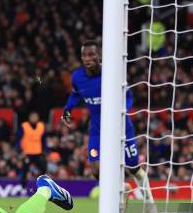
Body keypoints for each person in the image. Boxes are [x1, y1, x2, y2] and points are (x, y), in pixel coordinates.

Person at [61, 39, 154, 204]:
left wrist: (120, 111)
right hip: (98, 130)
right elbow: (75, 94)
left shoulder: (112, 73)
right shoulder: (77, 77)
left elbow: (128, 96)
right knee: (95, 169)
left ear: (100, 56)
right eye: (84, 55)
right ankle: (122, 187)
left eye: (91, 54)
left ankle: (150, 203)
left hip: (122, 128)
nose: (87, 58)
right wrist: (68, 109)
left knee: (134, 169)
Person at [18, 111, 47, 186]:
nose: (34, 118)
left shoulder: (41, 126)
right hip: (27, 153)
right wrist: (20, 150)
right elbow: (19, 139)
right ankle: (23, 187)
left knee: (43, 168)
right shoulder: (24, 126)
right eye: (33, 117)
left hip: (38, 153)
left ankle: (42, 186)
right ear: (29, 118)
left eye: (36, 117)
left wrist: (46, 150)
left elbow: (43, 139)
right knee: (24, 170)